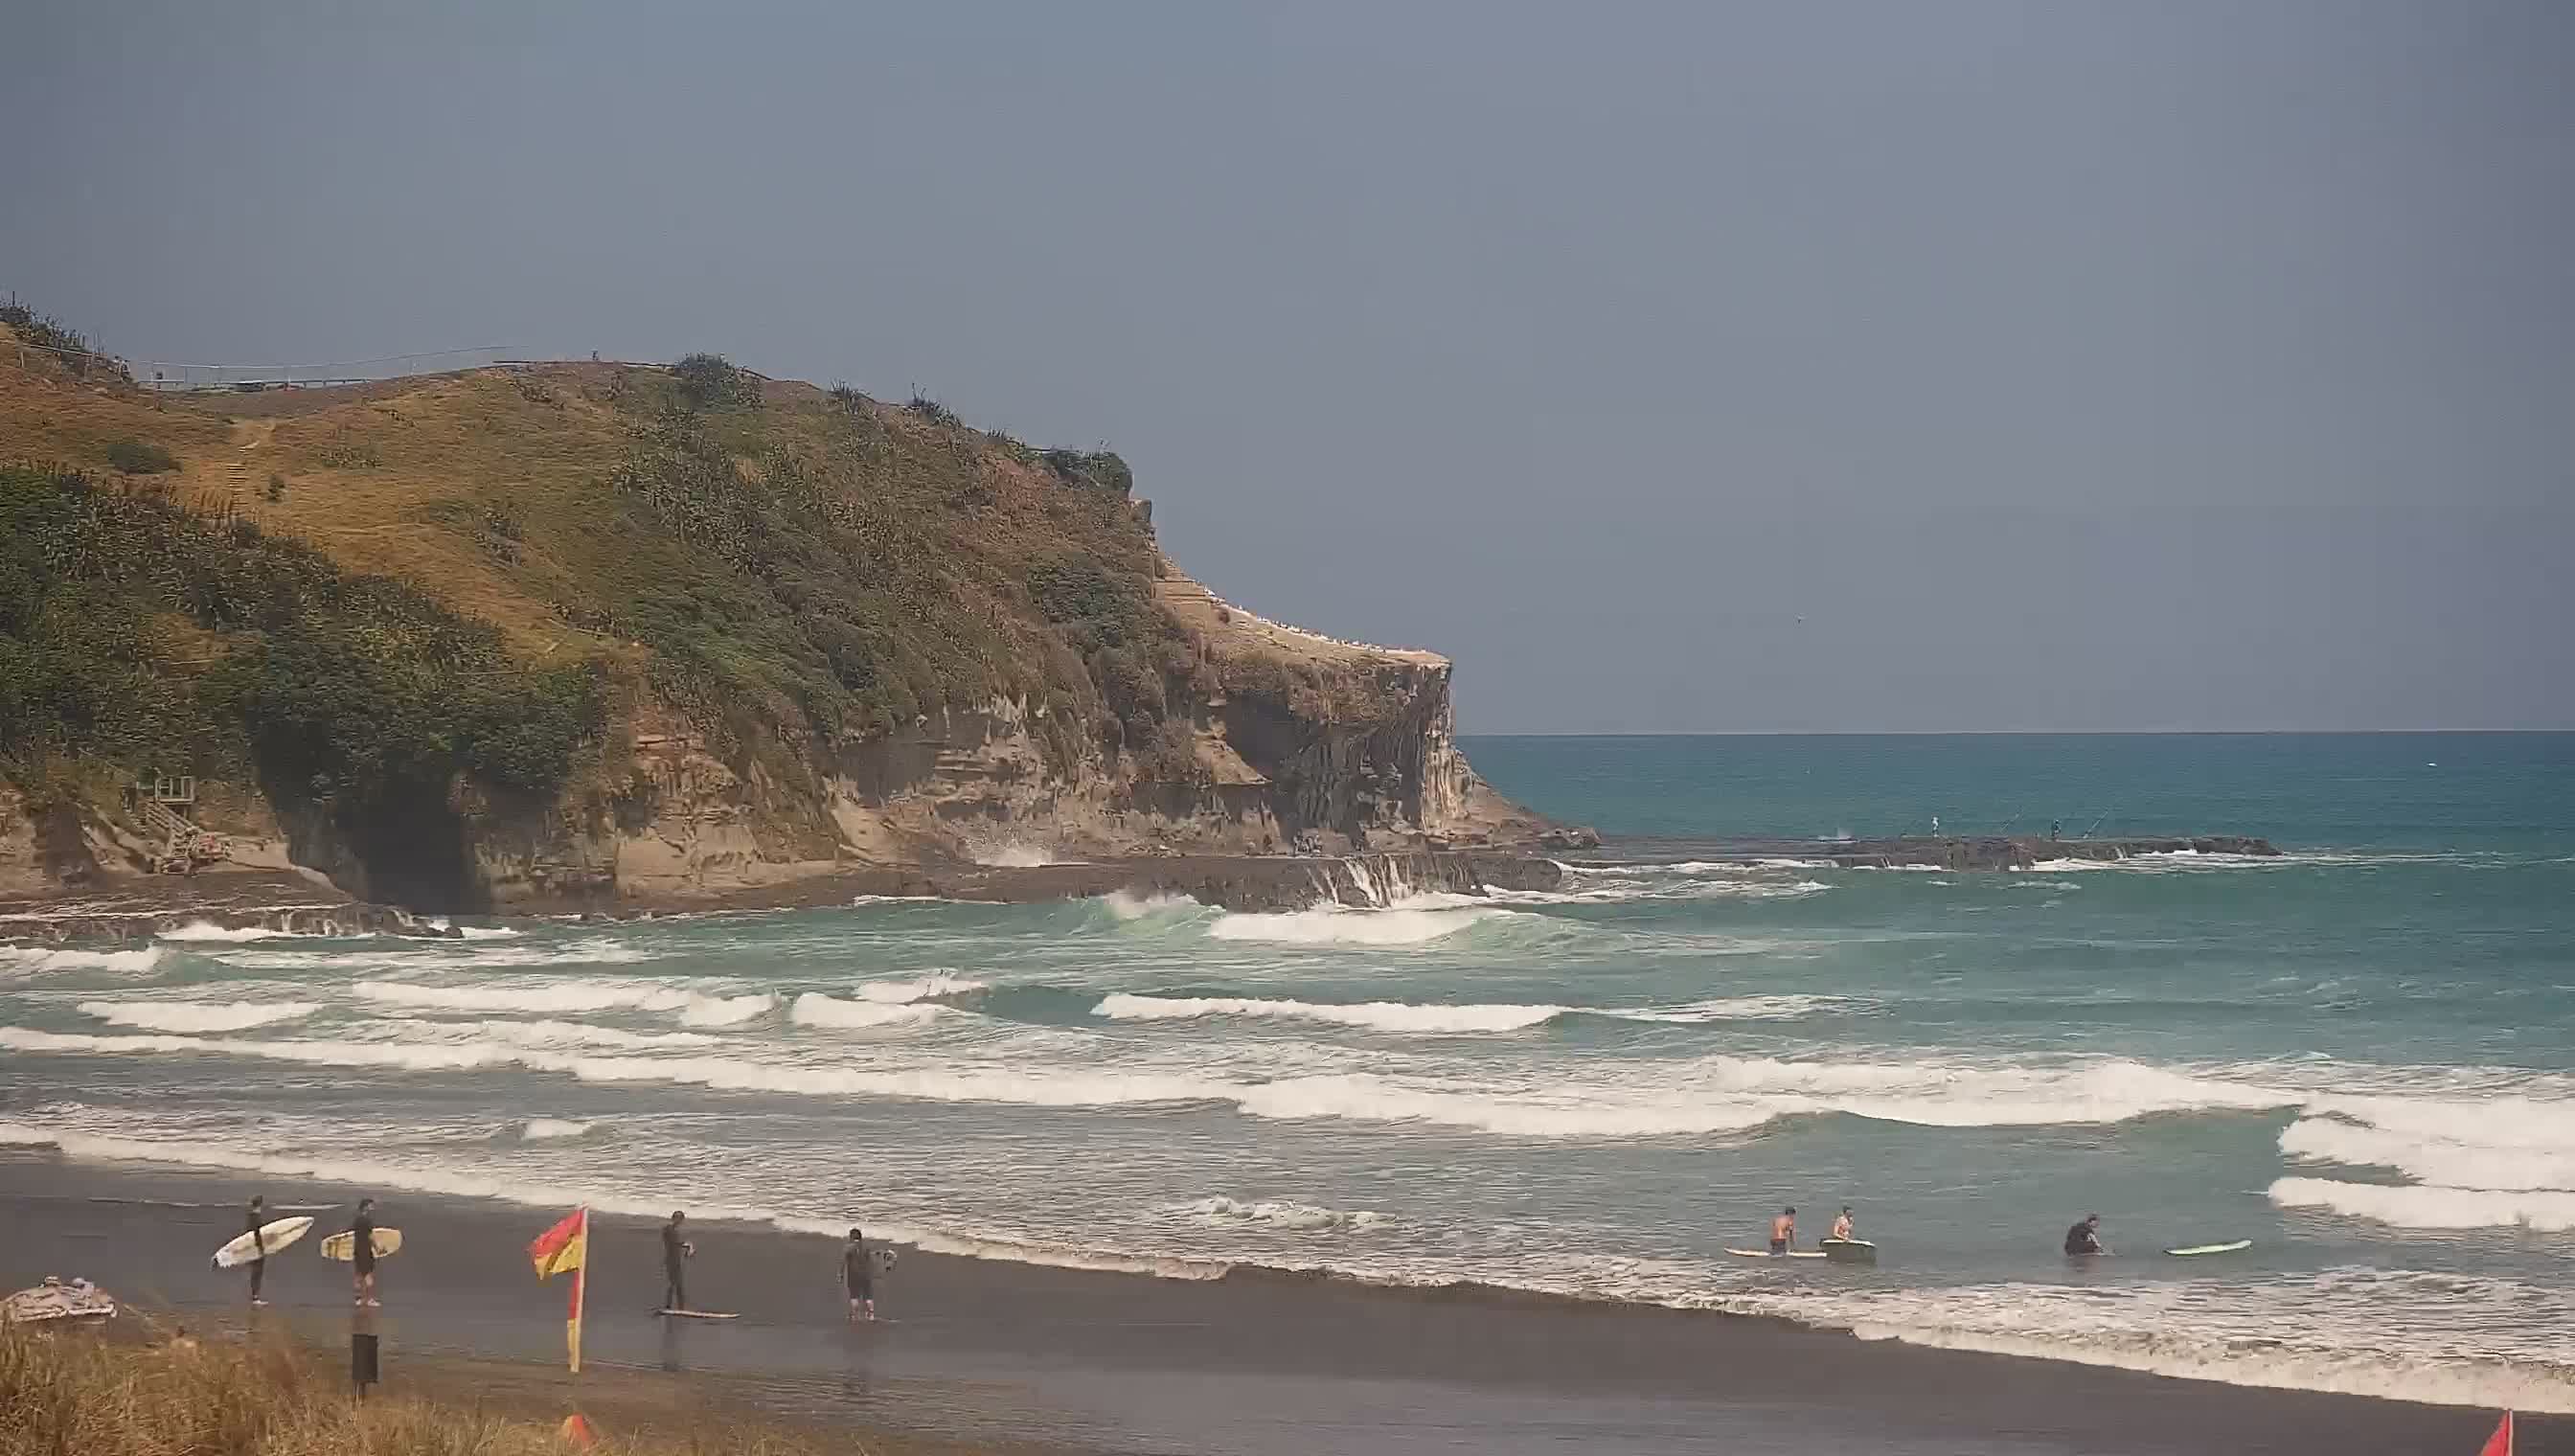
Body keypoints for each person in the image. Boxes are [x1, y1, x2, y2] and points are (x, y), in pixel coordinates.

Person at [347, 1197, 379, 1308]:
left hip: (357, 1249)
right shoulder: (367, 1220)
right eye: (370, 1205)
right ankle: (370, 1300)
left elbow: (351, 1232)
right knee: (368, 1275)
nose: (372, 1207)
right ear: (365, 1207)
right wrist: (377, 1248)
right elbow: (371, 1236)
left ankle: (358, 1299)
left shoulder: (357, 1220)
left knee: (358, 1275)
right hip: (366, 1250)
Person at [841, 1227, 875, 1322]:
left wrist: (840, 1274)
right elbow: (871, 1261)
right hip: (865, 1275)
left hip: (853, 1275)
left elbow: (843, 1261)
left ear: (851, 1237)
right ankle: (871, 1315)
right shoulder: (866, 1247)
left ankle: (855, 1315)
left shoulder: (848, 1247)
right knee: (868, 1296)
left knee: (854, 1295)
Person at [661, 1211, 693, 1310]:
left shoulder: (673, 1230)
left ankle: (680, 1307)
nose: (680, 1222)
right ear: (674, 1218)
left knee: (678, 1284)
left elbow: (676, 1243)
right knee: (673, 1283)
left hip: (676, 1259)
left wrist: (687, 1246)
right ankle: (668, 1306)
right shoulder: (669, 1229)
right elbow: (674, 1243)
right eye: (679, 1219)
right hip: (671, 1260)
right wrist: (687, 1245)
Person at [243, 1194, 270, 1307]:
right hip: (257, 1249)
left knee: (255, 1272)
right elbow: (258, 1235)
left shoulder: (250, 1217)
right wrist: (261, 1249)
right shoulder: (256, 1218)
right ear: (260, 1205)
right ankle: (255, 1298)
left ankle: (255, 1297)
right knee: (257, 1273)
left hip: (252, 1248)